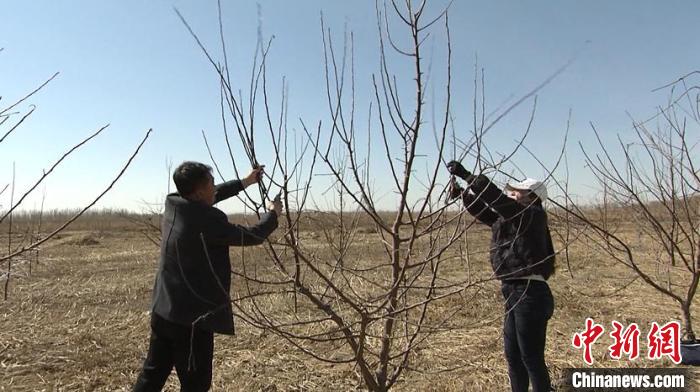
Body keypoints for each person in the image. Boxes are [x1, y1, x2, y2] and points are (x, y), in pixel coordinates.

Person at [134, 161, 281, 391]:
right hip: (191, 322)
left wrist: (245, 182)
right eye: (211, 183)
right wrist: (273, 215)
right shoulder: (208, 221)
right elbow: (252, 236)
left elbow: (212, 196)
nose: (215, 188)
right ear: (200, 190)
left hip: (164, 308)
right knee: (196, 385)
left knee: (151, 376)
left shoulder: (174, 202)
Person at [447, 160, 555, 392]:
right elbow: (490, 215)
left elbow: (498, 201)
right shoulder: (516, 220)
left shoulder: (532, 216)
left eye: (518, 191)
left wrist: (467, 176)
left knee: (531, 358)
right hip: (514, 292)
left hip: (531, 294)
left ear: (531, 197)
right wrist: (464, 195)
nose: (513, 193)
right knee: (514, 357)